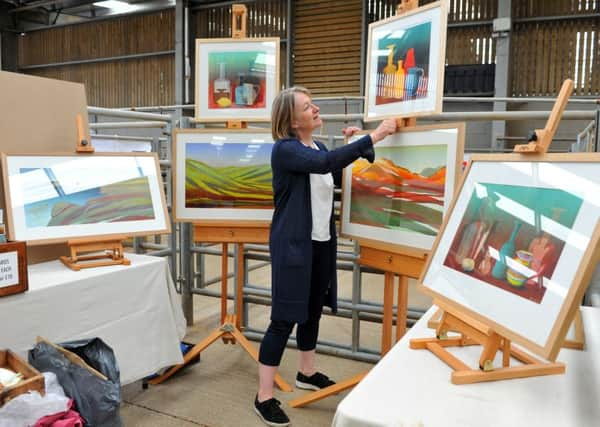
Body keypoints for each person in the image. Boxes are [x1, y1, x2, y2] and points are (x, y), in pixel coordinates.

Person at [254, 86, 397, 427]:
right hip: (294, 246)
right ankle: (264, 397)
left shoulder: (315, 145)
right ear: (292, 120)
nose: (316, 108)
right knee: (283, 319)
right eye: (308, 106)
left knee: (312, 311)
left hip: (320, 243)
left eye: (313, 103)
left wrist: (355, 142)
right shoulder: (285, 150)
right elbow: (322, 164)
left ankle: (306, 372)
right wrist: (374, 135)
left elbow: (332, 170)